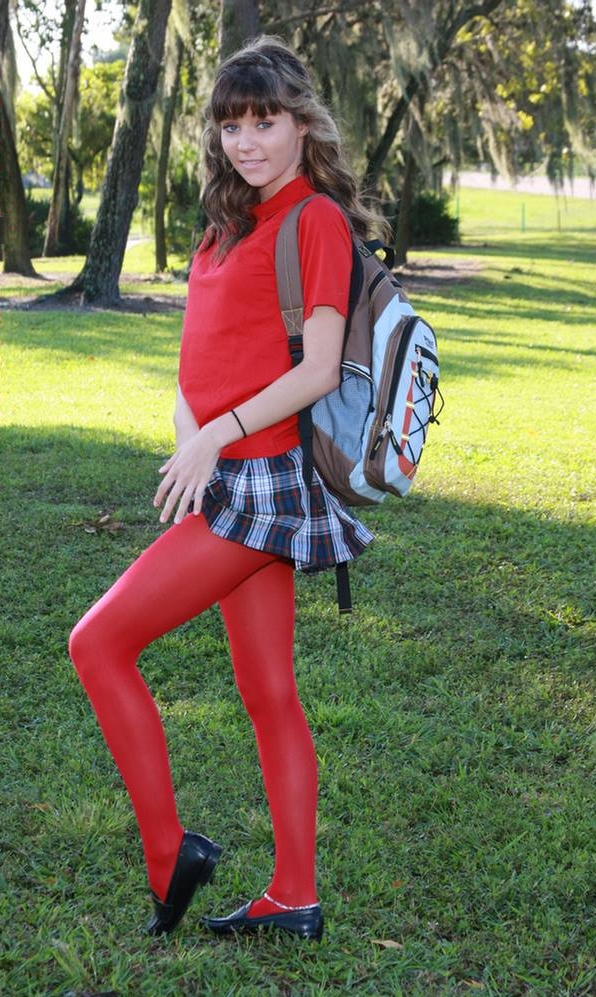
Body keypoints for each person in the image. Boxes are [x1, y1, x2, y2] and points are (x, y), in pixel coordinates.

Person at [69, 35, 385, 943]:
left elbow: (320, 367)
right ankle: (294, 897)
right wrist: (190, 439)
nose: (248, 140)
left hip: (266, 483)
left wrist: (218, 436)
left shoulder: (312, 220)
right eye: (232, 123)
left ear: (301, 124)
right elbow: (198, 356)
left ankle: (172, 855)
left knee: (97, 644)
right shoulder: (223, 222)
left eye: (266, 121)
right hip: (223, 481)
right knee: (268, 691)